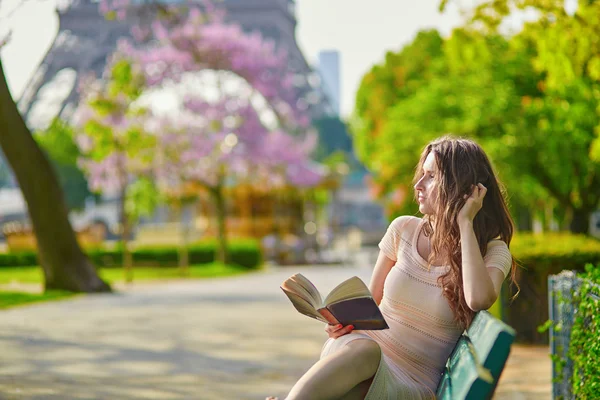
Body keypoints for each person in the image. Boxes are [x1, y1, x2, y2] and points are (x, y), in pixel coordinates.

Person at [269, 136, 519, 400]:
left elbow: (479, 299)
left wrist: (465, 223)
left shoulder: (491, 250)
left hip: (412, 382)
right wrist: (339, 325)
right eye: (422, 174)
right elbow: (370, 304)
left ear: (463, 189)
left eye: (431, 176)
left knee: (359, 371)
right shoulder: (403, 229)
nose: (418, 184)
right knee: (366, 353)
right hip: (361, 352)